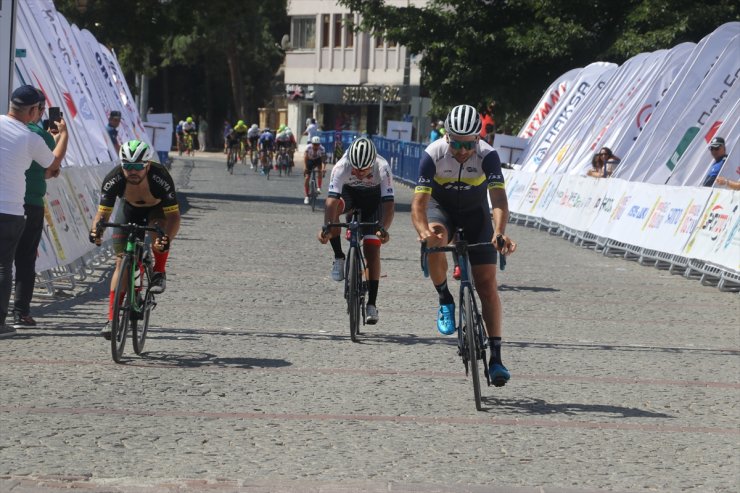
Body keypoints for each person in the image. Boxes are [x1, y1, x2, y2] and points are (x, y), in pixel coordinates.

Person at [411, 104, 516, 386]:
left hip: (475, 214)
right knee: (436, 237)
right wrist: (423, 231)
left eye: (468, 144)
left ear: (478, 139)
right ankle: (445, 298)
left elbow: (499, 200)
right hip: (440, 209)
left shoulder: (488, 156)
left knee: (487, 285)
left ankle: (496, 357)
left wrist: (499, 232)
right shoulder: (432, 154)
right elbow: (419, 203)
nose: (461, 150)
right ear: (447, 137)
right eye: (455, 143)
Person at [89, 140, 180, 340]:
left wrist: (166, 238)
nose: (132, 172)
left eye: (138, 167)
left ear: (147, 165)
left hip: (155, 209)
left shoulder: (160, 177)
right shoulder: (113, 179)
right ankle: (112, 318)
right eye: (127, 166)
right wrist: (96, 230)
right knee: (121, 262)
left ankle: (159, 271)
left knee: (159, 234)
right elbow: (102, 214)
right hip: (129, 209)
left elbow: (174, 216)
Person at [0, 85, 68, 337]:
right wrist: (64, 136)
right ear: (32, 110)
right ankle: (8, 319)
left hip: (15, 207)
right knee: (8, 265)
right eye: (39, 109)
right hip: (11, 208)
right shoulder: (31, 138)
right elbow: (53, 166)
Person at [318, 137, 395, 324]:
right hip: (349, 195)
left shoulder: (382, 167)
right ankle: (339, 257)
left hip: (374, 201)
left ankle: (372, 304)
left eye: (364, 170)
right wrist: (327, 226)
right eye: (355, 169)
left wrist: (383, 229)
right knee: (334, 212)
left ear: (372, 163)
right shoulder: (341, 166)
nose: (359, 173)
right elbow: (331, 201)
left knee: (372, 249)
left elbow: (389, 205)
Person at [303, 136, 327, 204]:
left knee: (320, 171)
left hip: (318, 160)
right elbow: (305, 158)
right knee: (307, 178)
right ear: (312, 144)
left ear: (319, 144)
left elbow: (323, 160)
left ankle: (319, 188)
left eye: (317, 144)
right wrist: (305, 167)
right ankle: (306, 196)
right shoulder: (308, 147)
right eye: (314, 144)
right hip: (309, 160)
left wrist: (323, 168)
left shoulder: (322, 149)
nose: (316, 146)